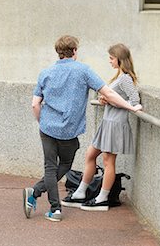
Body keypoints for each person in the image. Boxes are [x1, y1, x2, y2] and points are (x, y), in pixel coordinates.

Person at [23, 36, 142, 222]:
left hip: (47, 128)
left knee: (50, 167)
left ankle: (38, 194)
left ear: (58, 52)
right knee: (64, 165)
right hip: (69, 131)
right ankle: (54, 208)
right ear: (75, 51)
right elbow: (108, 92)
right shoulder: (84, 71)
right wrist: (131, 107)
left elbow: (35, 104)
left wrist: (42, 123)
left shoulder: (45, 73)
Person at [61, 43, 141, 211]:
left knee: (108, 161)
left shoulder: (125, 78)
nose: (110, 61)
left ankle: (102, 198)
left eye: (112, 58)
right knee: (90, 155)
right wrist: (105, 100)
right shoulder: (118, 78)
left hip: (115, 124)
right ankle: (81, 192)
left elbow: (135, 102)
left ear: (120, 59)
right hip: (107, 122)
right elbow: (116, 98)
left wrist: (111, 101)